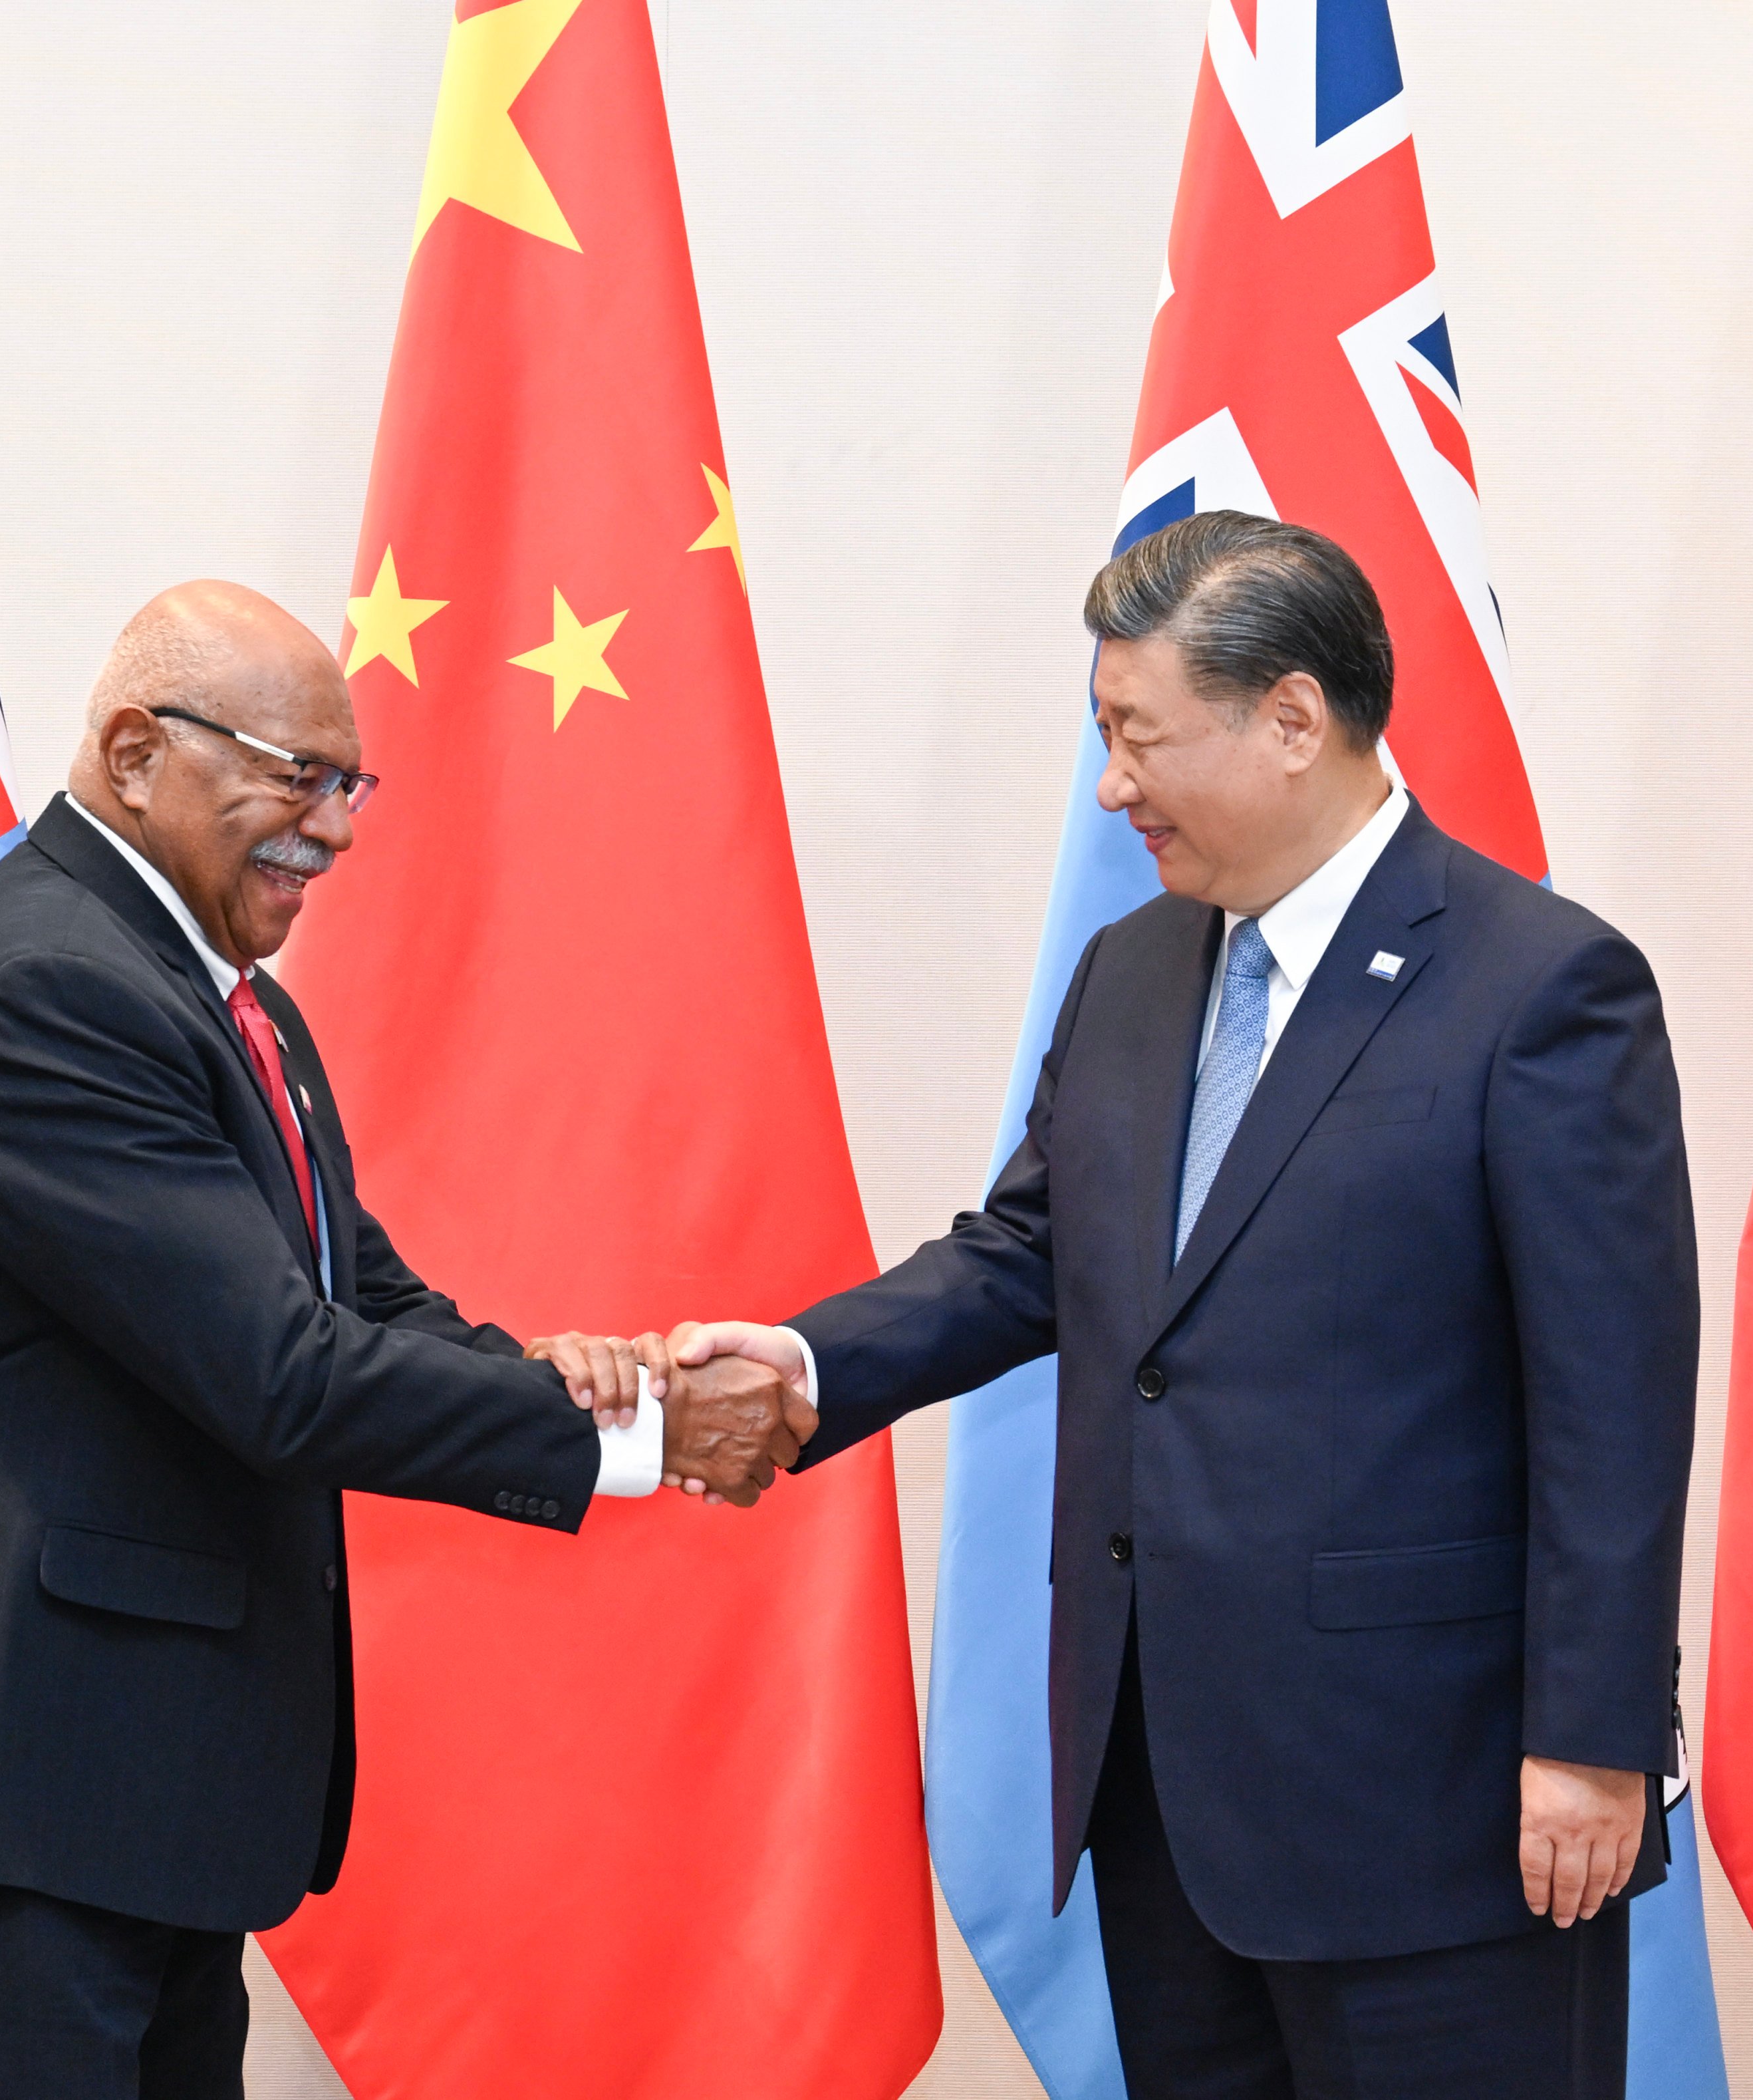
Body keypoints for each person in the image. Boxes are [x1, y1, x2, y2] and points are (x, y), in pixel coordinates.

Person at [676, 515, 1696, 2098]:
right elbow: (1026, 1254)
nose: (1110, 786)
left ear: (1291, 719)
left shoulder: (1540, 987)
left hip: (1437, 1814)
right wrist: (810, 1360)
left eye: (1133, 735)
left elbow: (1612, 1406)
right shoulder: (1134, 971)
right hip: (1164, 1797)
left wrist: (1592, 1737)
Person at [0, 581, 807, 2098]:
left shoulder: (225, 999)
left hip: (125, 1788)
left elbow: (353, 1300)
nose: (338, 826)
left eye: (350, 781)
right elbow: (279, 1378)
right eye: (294, 774)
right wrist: (635, 1441)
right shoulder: (48, 989)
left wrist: (553, 1372)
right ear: (131, 753)